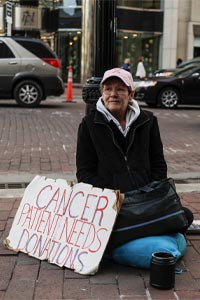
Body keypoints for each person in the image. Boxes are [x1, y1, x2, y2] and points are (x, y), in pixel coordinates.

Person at [76, 67, 193, 263]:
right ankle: (146, 238)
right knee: (175, 222)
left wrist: (150, 194)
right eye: (108, 89)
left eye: (120, 89)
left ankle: (131, 239)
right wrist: (113, 198)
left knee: (185, 215)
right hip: (114, 205)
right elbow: (85, 174)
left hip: (146, 199)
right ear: (102, 92)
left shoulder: (148, 120)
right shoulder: (89, 124)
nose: (113, 94)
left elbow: (158, 165)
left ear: (131, 94)